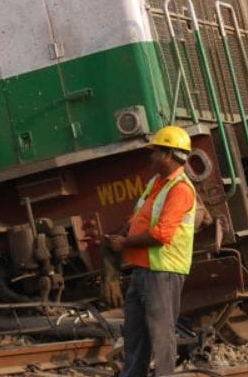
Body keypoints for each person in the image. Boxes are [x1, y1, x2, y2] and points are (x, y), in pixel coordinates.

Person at [104, 126, 197, 377]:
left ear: (169, 155)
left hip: (163, 270)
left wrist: (124, 244)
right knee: (135, 332)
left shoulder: (180, 189)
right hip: (143, 269)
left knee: (161, 333)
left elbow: (161, 235)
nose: (151, 156)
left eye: (156, 151)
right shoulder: (156, 183)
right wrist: (123, 232)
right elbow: (138, 217)